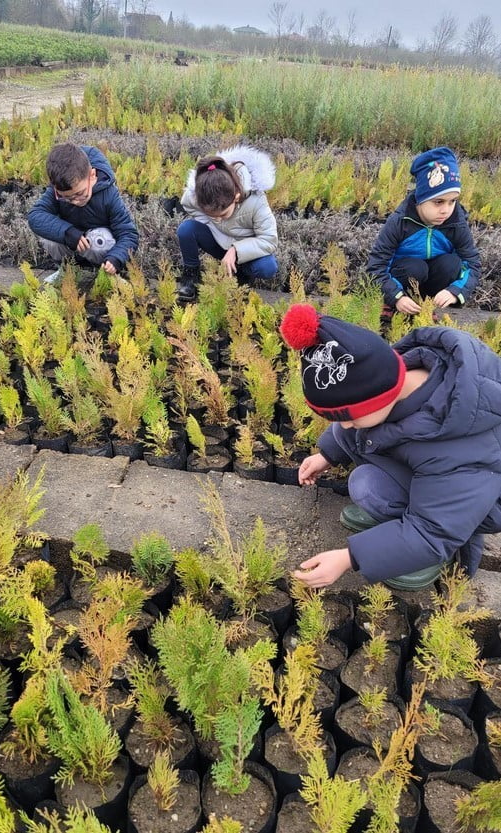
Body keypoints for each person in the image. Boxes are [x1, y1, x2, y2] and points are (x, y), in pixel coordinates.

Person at [279, 303, 501, 590]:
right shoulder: (397, 378)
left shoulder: (457, 445)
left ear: (380, 397)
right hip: (445, 481)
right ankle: (395, 527)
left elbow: (435, 530)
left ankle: (428, 557)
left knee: (369, 487)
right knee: (362, 445)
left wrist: (350, 558)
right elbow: (360, 425)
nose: (344, 425)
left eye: (348, 416)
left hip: (472, 505)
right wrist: (327, 453)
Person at [367, 146, 480, 316]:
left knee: (451, 264)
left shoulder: (456, 223)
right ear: (421, 198)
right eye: (438, 202)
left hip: (432, 279)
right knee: (416, 267)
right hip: (402, 277)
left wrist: (455, 291)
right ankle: (392, 306)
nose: (446, 210)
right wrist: (396, 297)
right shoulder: (400, 221)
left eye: (452, 201)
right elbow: (376, 267)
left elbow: (471, 264)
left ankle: (425, 307)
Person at [176, 145, 279, 301]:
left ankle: (243, 275)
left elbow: (269, 240)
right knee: (186, 229)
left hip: (245, 252)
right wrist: (210, 224)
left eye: (223, 214)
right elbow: (188, 205)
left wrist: (236, 250)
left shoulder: (257, 201)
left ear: (236, 196)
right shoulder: (199, 194)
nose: (217, 219)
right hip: (218, 242)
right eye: (212, 215)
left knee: (267, 266)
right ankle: (191, 276)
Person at [27, 142, 139, 279]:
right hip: (71, 241)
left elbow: (128, 234)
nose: (74, 201)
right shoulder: (56, 191)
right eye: (65, 197)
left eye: (79, 194)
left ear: (92, 176)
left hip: (99, 248)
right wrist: (66, 232)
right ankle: (67, 270)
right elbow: (35, 216)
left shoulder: (109, 194)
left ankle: (105, 276)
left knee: (99, 240)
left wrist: (116, 258)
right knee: (50, 238)